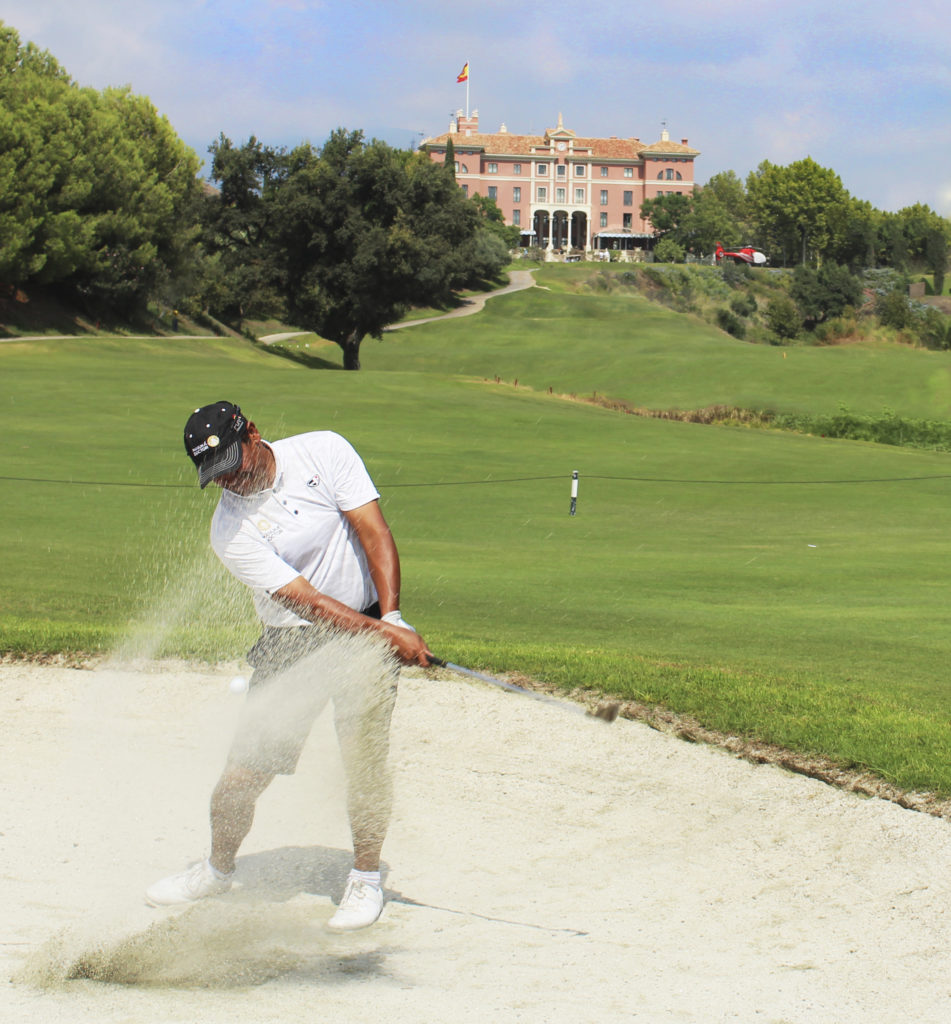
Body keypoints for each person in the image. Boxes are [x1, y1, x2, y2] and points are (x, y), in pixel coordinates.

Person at [145, 401, 433, 931]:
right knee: (241, 776)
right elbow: (309, 604)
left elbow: (373, 530)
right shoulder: (228, 532)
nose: (229, 479)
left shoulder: (324, 450)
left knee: (363, 761)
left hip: (367, 627)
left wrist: (391, 615)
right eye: (217, 474)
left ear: (252, 432)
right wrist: (388, 635)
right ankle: (217, 868)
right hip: (291, 644)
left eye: (233, 461)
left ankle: (366, 880)